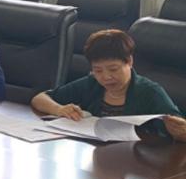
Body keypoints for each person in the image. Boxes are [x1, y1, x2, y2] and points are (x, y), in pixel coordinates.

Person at [31, 29, 186, 140]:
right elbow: (39, 98)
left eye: (113, 69)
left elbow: (180, 129)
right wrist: (59, 109)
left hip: (136, 161)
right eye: (98, 70)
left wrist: (178, 131)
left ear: (129, 61)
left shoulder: (150, 92)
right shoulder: (91, 83)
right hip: (96, 154)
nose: (106, 77)